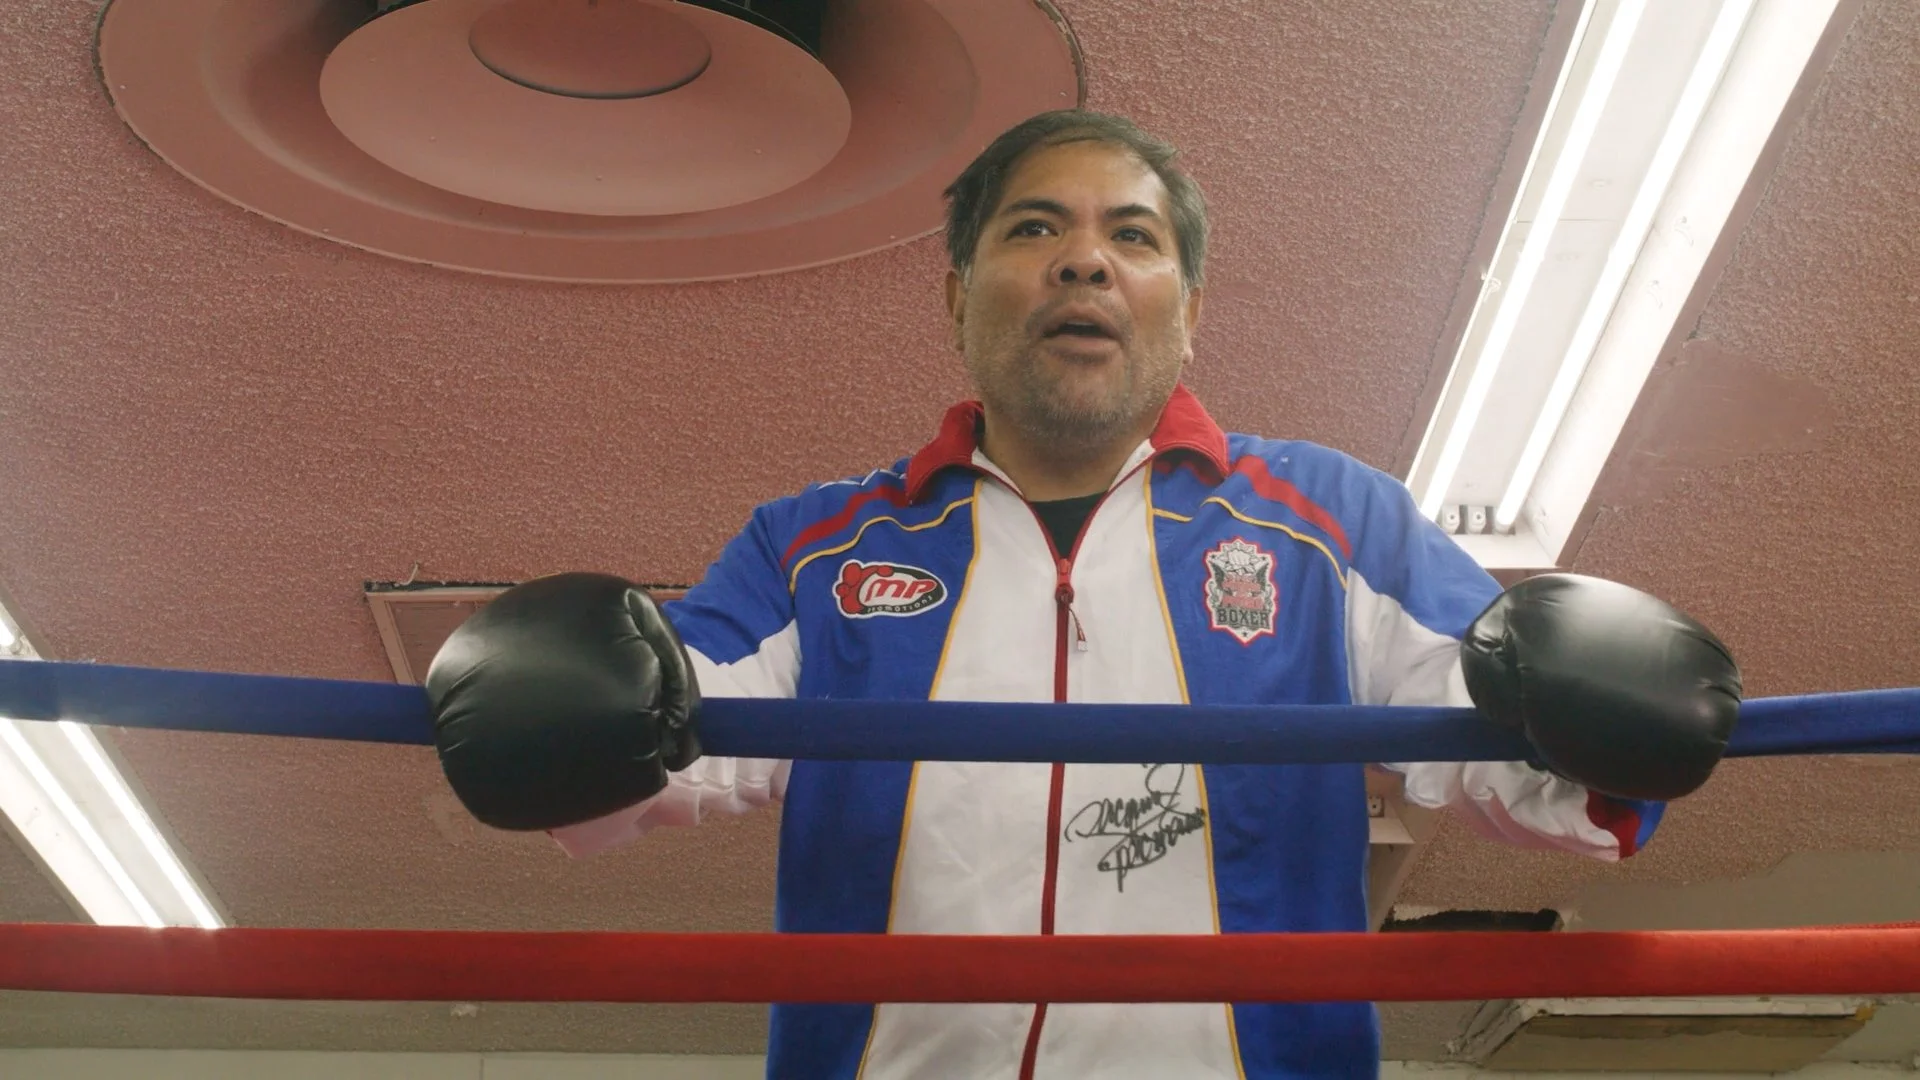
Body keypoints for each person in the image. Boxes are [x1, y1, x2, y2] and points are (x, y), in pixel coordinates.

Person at [425, 110, 1742, 1079]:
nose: (1083, 262)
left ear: (1186, 310)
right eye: (1034, 230)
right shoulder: (816, 545)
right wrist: (580, 702)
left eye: (1132, 237)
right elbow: (681, 723)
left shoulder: (1325, 519)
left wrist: (1590, 710)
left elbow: (1496, 729)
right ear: (957, 298)